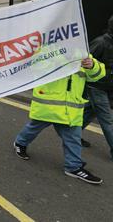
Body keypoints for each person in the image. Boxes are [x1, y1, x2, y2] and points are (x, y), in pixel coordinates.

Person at [14, 56, 105, 184]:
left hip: (70, 108)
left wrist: (92, 66)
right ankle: (20, 143)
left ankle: (73, 167)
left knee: (73, 138)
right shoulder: (47, 48)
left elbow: (98, 75)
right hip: (49, 105)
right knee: (33, 128)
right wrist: (57, 59)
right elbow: (35, 67)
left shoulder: (82, 51)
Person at [81, 16, 113, 160]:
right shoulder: (101, 42)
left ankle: (72, 135)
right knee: (107, 120)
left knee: (89, 112)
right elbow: (86, 61)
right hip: (97, 86)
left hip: (107, 86)